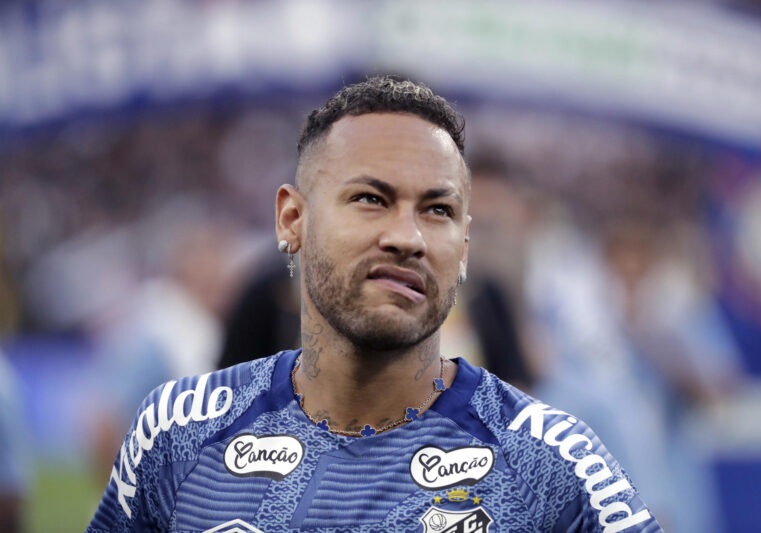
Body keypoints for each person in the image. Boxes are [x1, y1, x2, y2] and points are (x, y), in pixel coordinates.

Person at [87, 75, 662, 532]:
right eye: (370, 199)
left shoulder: (553, 464)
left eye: (438, 210)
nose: (407, 237)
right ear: (292, 219)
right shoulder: (177, 434)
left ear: (464, 246)